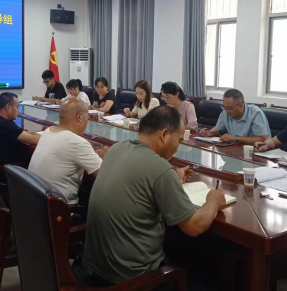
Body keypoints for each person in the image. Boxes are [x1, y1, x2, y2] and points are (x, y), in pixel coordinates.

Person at [82, 106, 226, 286]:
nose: (178, 147)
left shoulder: (116, 149)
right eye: (179, 140)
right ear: (164, 134)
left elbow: (139, 180)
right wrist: (212, 201)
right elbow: (195, 226)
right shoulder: (160, 168)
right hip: (132, 278)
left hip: (97, 267)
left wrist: (172, 178)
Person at [28, 98, 108, 205]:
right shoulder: (78, 143)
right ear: (80, 117)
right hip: (58, 207)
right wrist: (106, 157)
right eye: (87, 118)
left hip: (35, 201)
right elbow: (104, 175)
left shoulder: (48, 131)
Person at [0, 92, 41, 166]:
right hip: (8, 166)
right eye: (17, 107)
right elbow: (33, 140)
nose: (18, 110)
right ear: (8, 107)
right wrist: (48, 133)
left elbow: (24, 134)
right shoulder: (4, 124)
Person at [199, 89, 271, 145]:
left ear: (241, 106)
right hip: (235, 149)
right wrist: (210, 133)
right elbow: (218, 129)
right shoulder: (225, 113)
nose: (226, 111)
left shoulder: (255, 113)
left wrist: (236, 138)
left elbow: (262, 139)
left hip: (255, 152)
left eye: (229, 108)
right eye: (224, 107)